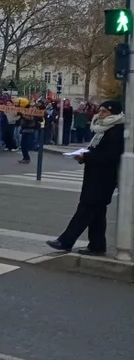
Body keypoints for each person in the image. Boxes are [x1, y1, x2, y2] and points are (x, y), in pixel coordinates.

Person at [47, 99, 124, 255]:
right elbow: (97, 150)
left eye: (104, 112)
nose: (100, 114)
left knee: (85, 209)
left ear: (113, 113)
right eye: (100, 111)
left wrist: (86, 157)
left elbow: (110, 156)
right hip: (94, 176)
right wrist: (84, 155)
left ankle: (65, 241)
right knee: (97, 213)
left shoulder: (117, 130)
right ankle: (97, 246)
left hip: (104, 179)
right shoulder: (102, 129)